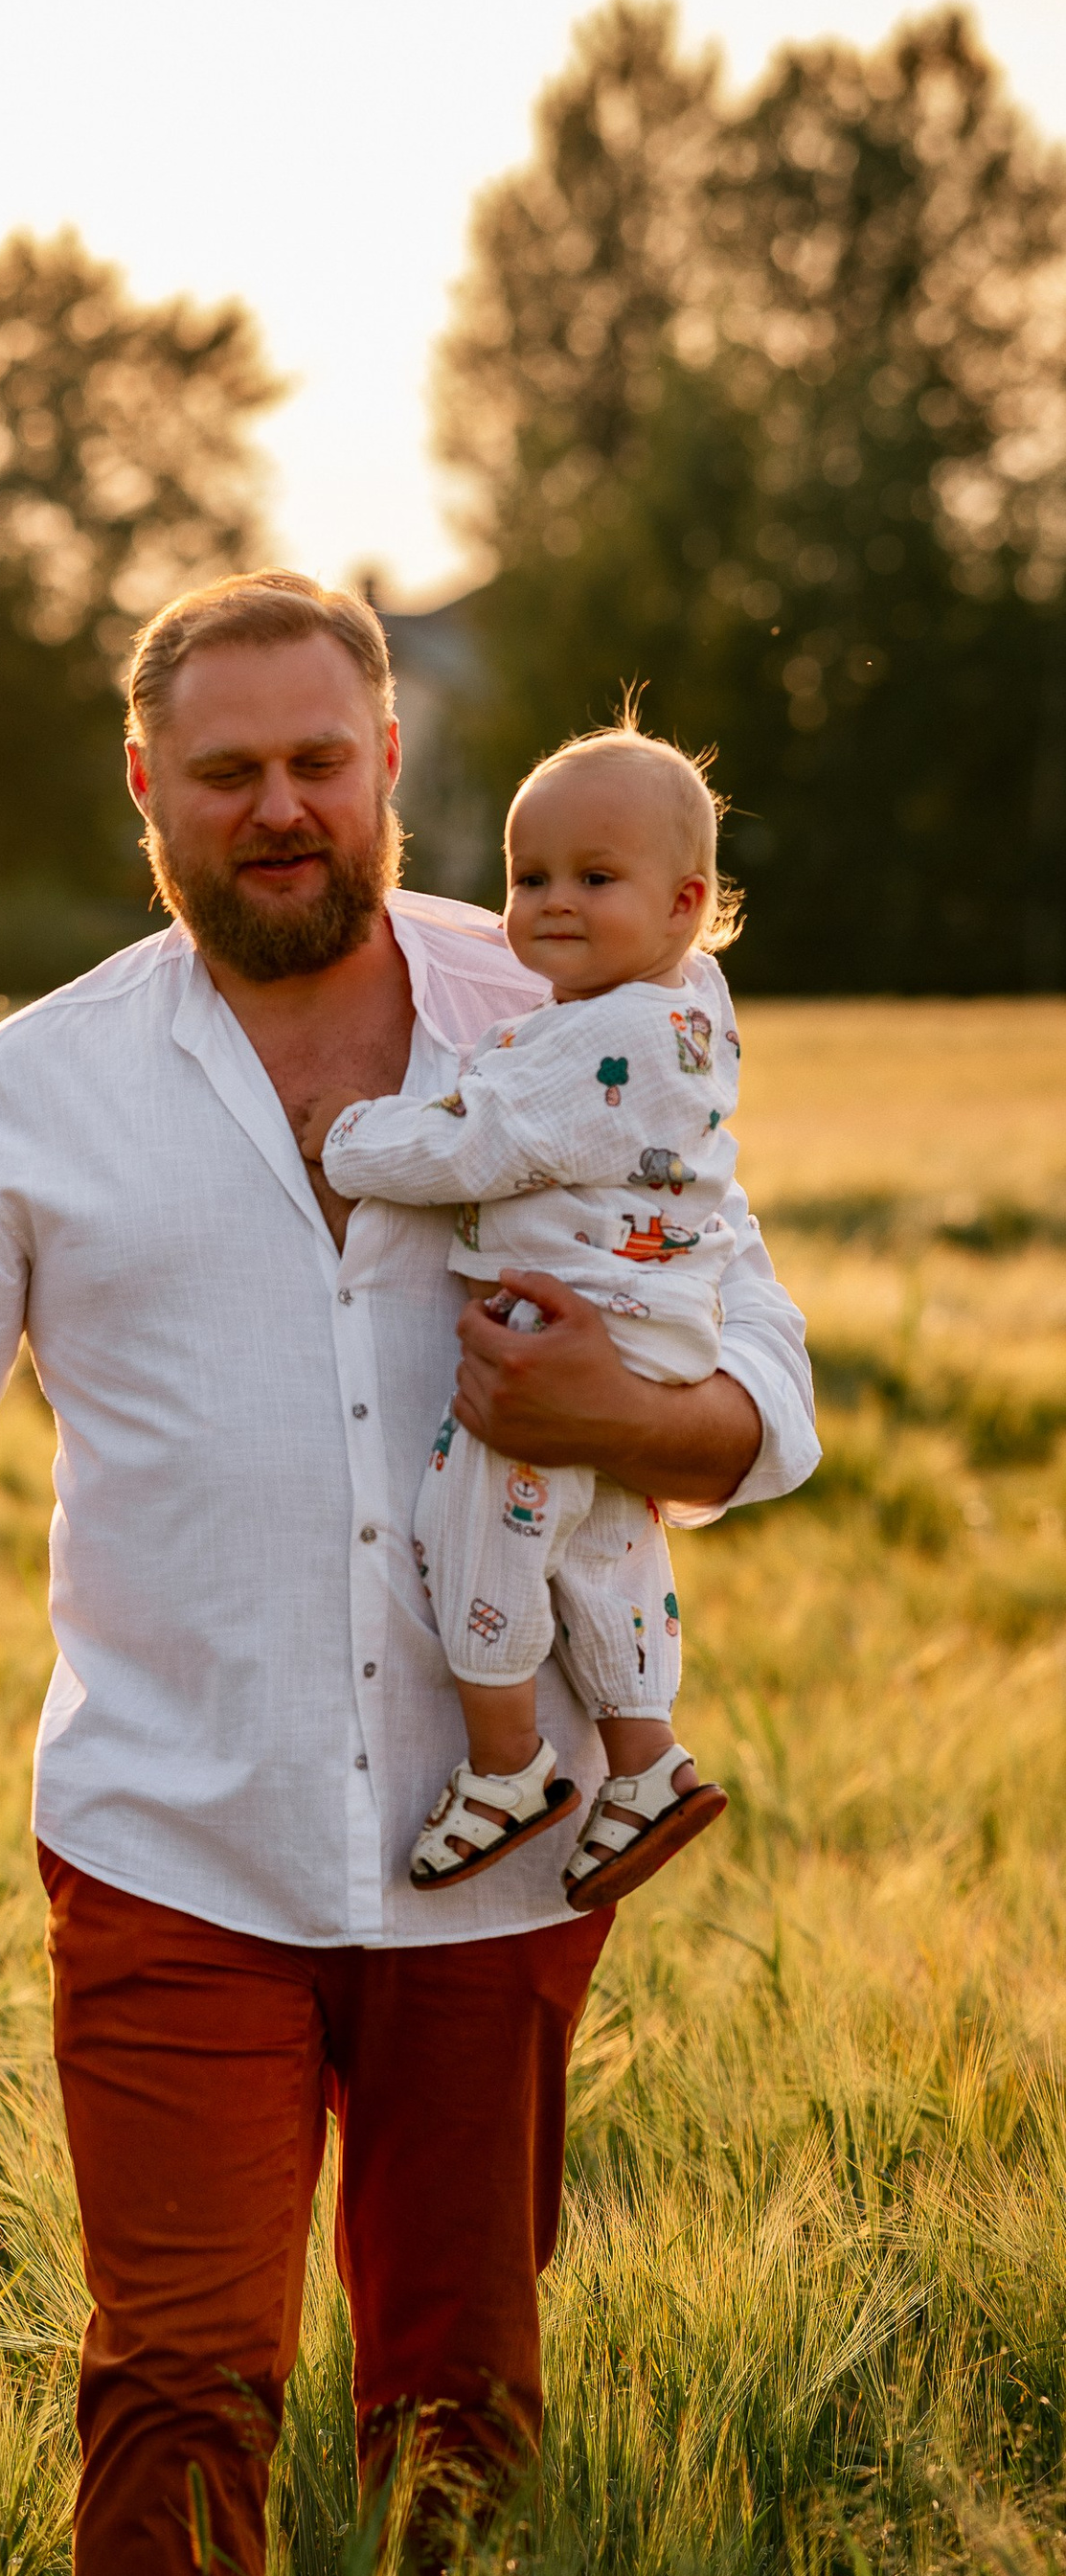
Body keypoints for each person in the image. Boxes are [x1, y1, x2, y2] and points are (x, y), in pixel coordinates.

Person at [0, 573, 817, 2576]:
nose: (279, 807)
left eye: (320, 761)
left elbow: (764, 1388)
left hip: (489, 1861)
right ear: (145, 791)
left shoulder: (573, 1018)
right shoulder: (32, 1093)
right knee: (178, 2378)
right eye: (227, 770)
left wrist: (633, 1402)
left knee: (459, 2388)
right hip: (170, 1846)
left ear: (391, 766)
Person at [320, 722, 742, 1906]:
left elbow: (485, 1143)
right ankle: (647, 1757)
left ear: (684, 903)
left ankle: (507, 1764)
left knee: (472, 1523)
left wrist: (349, 1138)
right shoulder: (684, 1017)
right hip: (642, 1332)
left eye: (593, 879)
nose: (551, 903)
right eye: (529, 876)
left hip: (561, 1335)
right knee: (604, 1545)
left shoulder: (616, 1034)